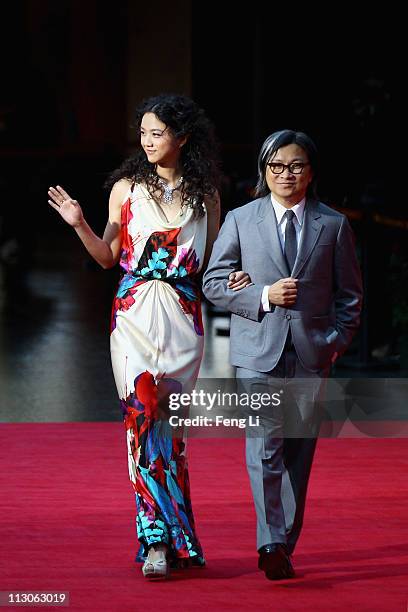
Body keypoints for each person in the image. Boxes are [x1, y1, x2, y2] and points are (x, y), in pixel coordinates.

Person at [48, 93, 250, 580]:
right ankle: (155, 542)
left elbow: (217, 266)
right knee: (141, 418)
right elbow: (105, 256)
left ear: (181, 138)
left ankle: (180, 539)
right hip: (134, 312)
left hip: (183, 314)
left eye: (157, 133)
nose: (148, 141)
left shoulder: (207, 195)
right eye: (143, 133)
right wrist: (79, 225)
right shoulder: (125, 190)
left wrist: (239, 280)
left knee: (170, 430)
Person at [202, 129, 363, 580]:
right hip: (256, 353)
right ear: (263, 170)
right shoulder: (240, 218)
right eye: (276, 166)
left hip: (312, 355)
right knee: (263, 447)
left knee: (297, 453)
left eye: (295, 166)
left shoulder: (332, 224)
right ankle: (271, 541)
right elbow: (214, 283)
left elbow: (351, 296)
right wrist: (262, 295)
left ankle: (284, 542)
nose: (285, 174)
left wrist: (334, 343)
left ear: (310, 173)